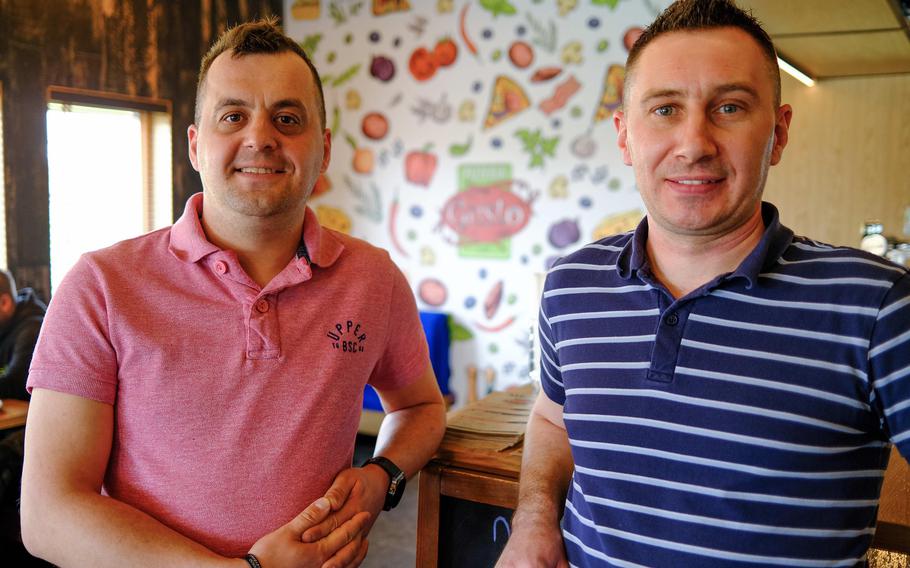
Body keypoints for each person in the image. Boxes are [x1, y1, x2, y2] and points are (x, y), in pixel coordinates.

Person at [21, 17, 446, 568]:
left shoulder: (374, 279)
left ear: (323, 150)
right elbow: (49, 513)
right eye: (233, 115)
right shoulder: (101, 286)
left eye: (287, 118)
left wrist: (381, 475)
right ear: (196, 146)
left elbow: (419, 407)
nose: (260, 136)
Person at [497, 0, 910, 566]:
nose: (694, 143)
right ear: (625, 136)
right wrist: (534, 522)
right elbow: (552, 415)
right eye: (665, 109)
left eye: (730, 106)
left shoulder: (878, 304)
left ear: (780, 132)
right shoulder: (570, 284)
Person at [0, 269, 46, 401]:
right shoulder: (4, 323)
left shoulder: (33, 329)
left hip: (29, 418)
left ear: (5, 303)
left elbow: (17, 384)